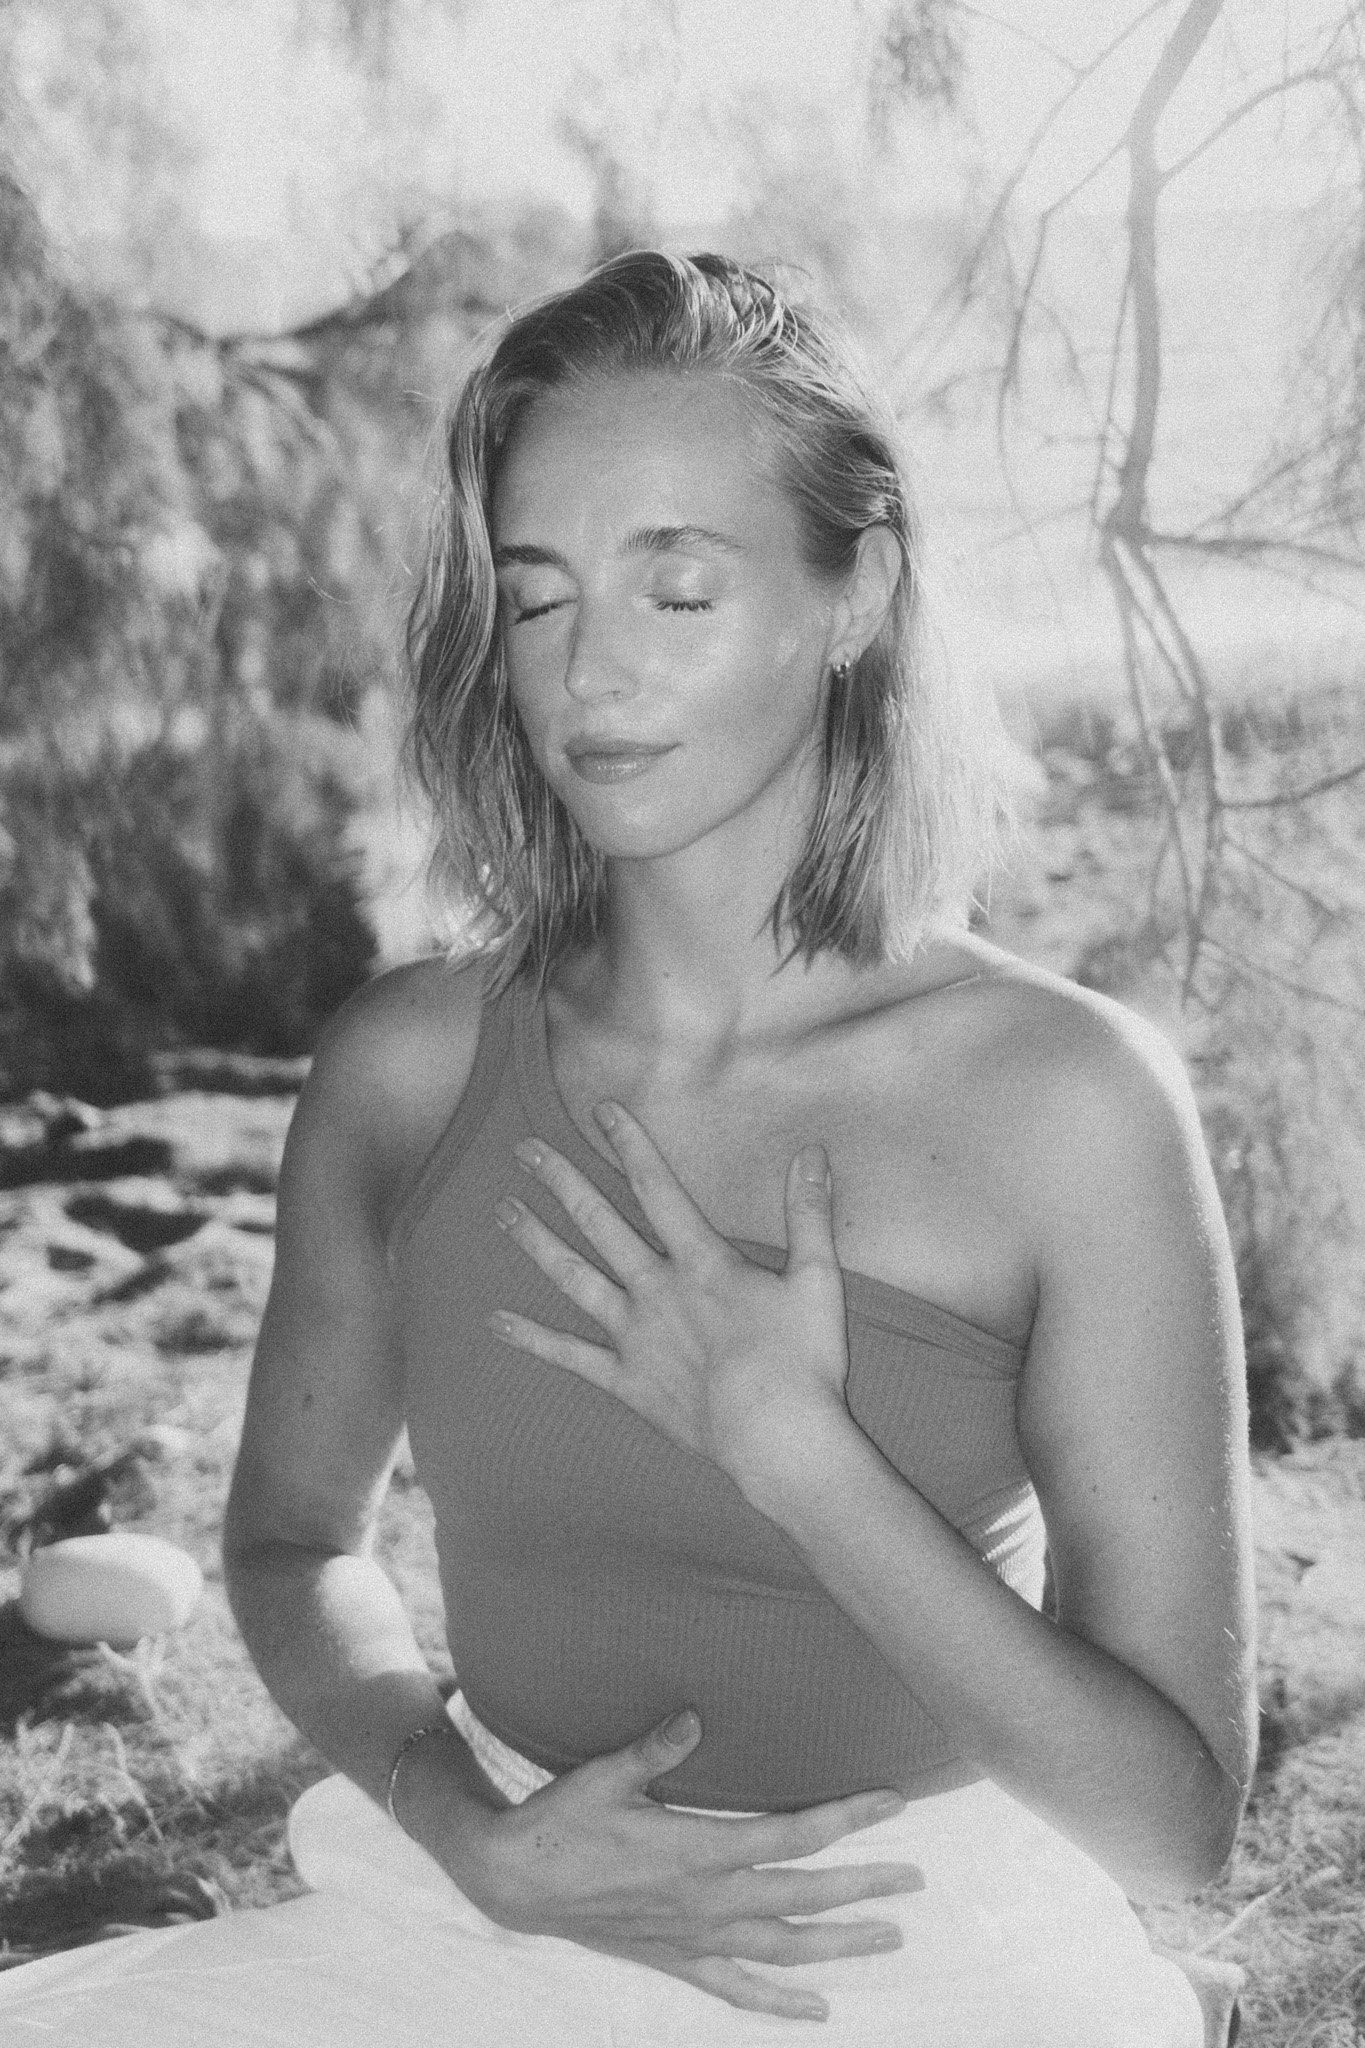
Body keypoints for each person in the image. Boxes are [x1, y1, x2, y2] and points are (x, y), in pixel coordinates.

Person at [0, 252, 1255, 2047]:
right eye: (539, 596)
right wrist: (469, 1828)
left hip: (900, 1953)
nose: (589, 670)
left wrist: (801, 1457)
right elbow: (288, 1544)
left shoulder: (1065, 1103)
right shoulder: (409, 1068)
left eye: (677, 587)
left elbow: (1172, 1826)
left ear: (855, 593)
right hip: (481, 1913)